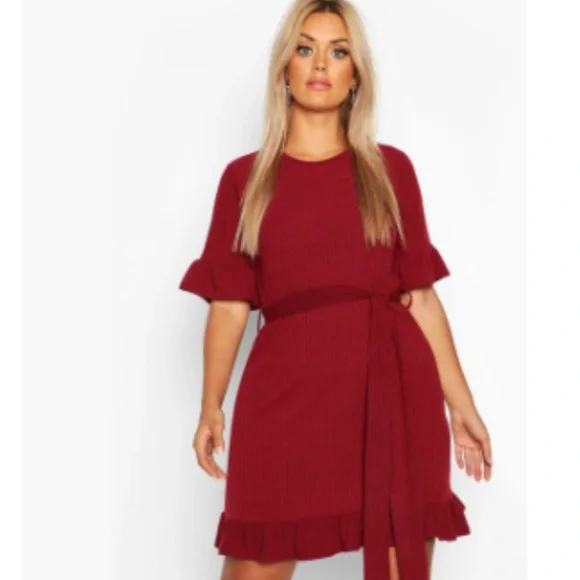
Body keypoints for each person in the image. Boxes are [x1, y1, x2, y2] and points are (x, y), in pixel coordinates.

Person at [179, 1, 492, 579]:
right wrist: (210, 406)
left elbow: (421, 299)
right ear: (285, 69)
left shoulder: (390, 171)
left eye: (338, 51)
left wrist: (462, 406)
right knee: (256, 555)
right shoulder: (245, 179)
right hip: (285, 397)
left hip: (393, 393)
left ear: (356, 76)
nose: (320, 63)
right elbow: (229, 305)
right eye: (305, 48)